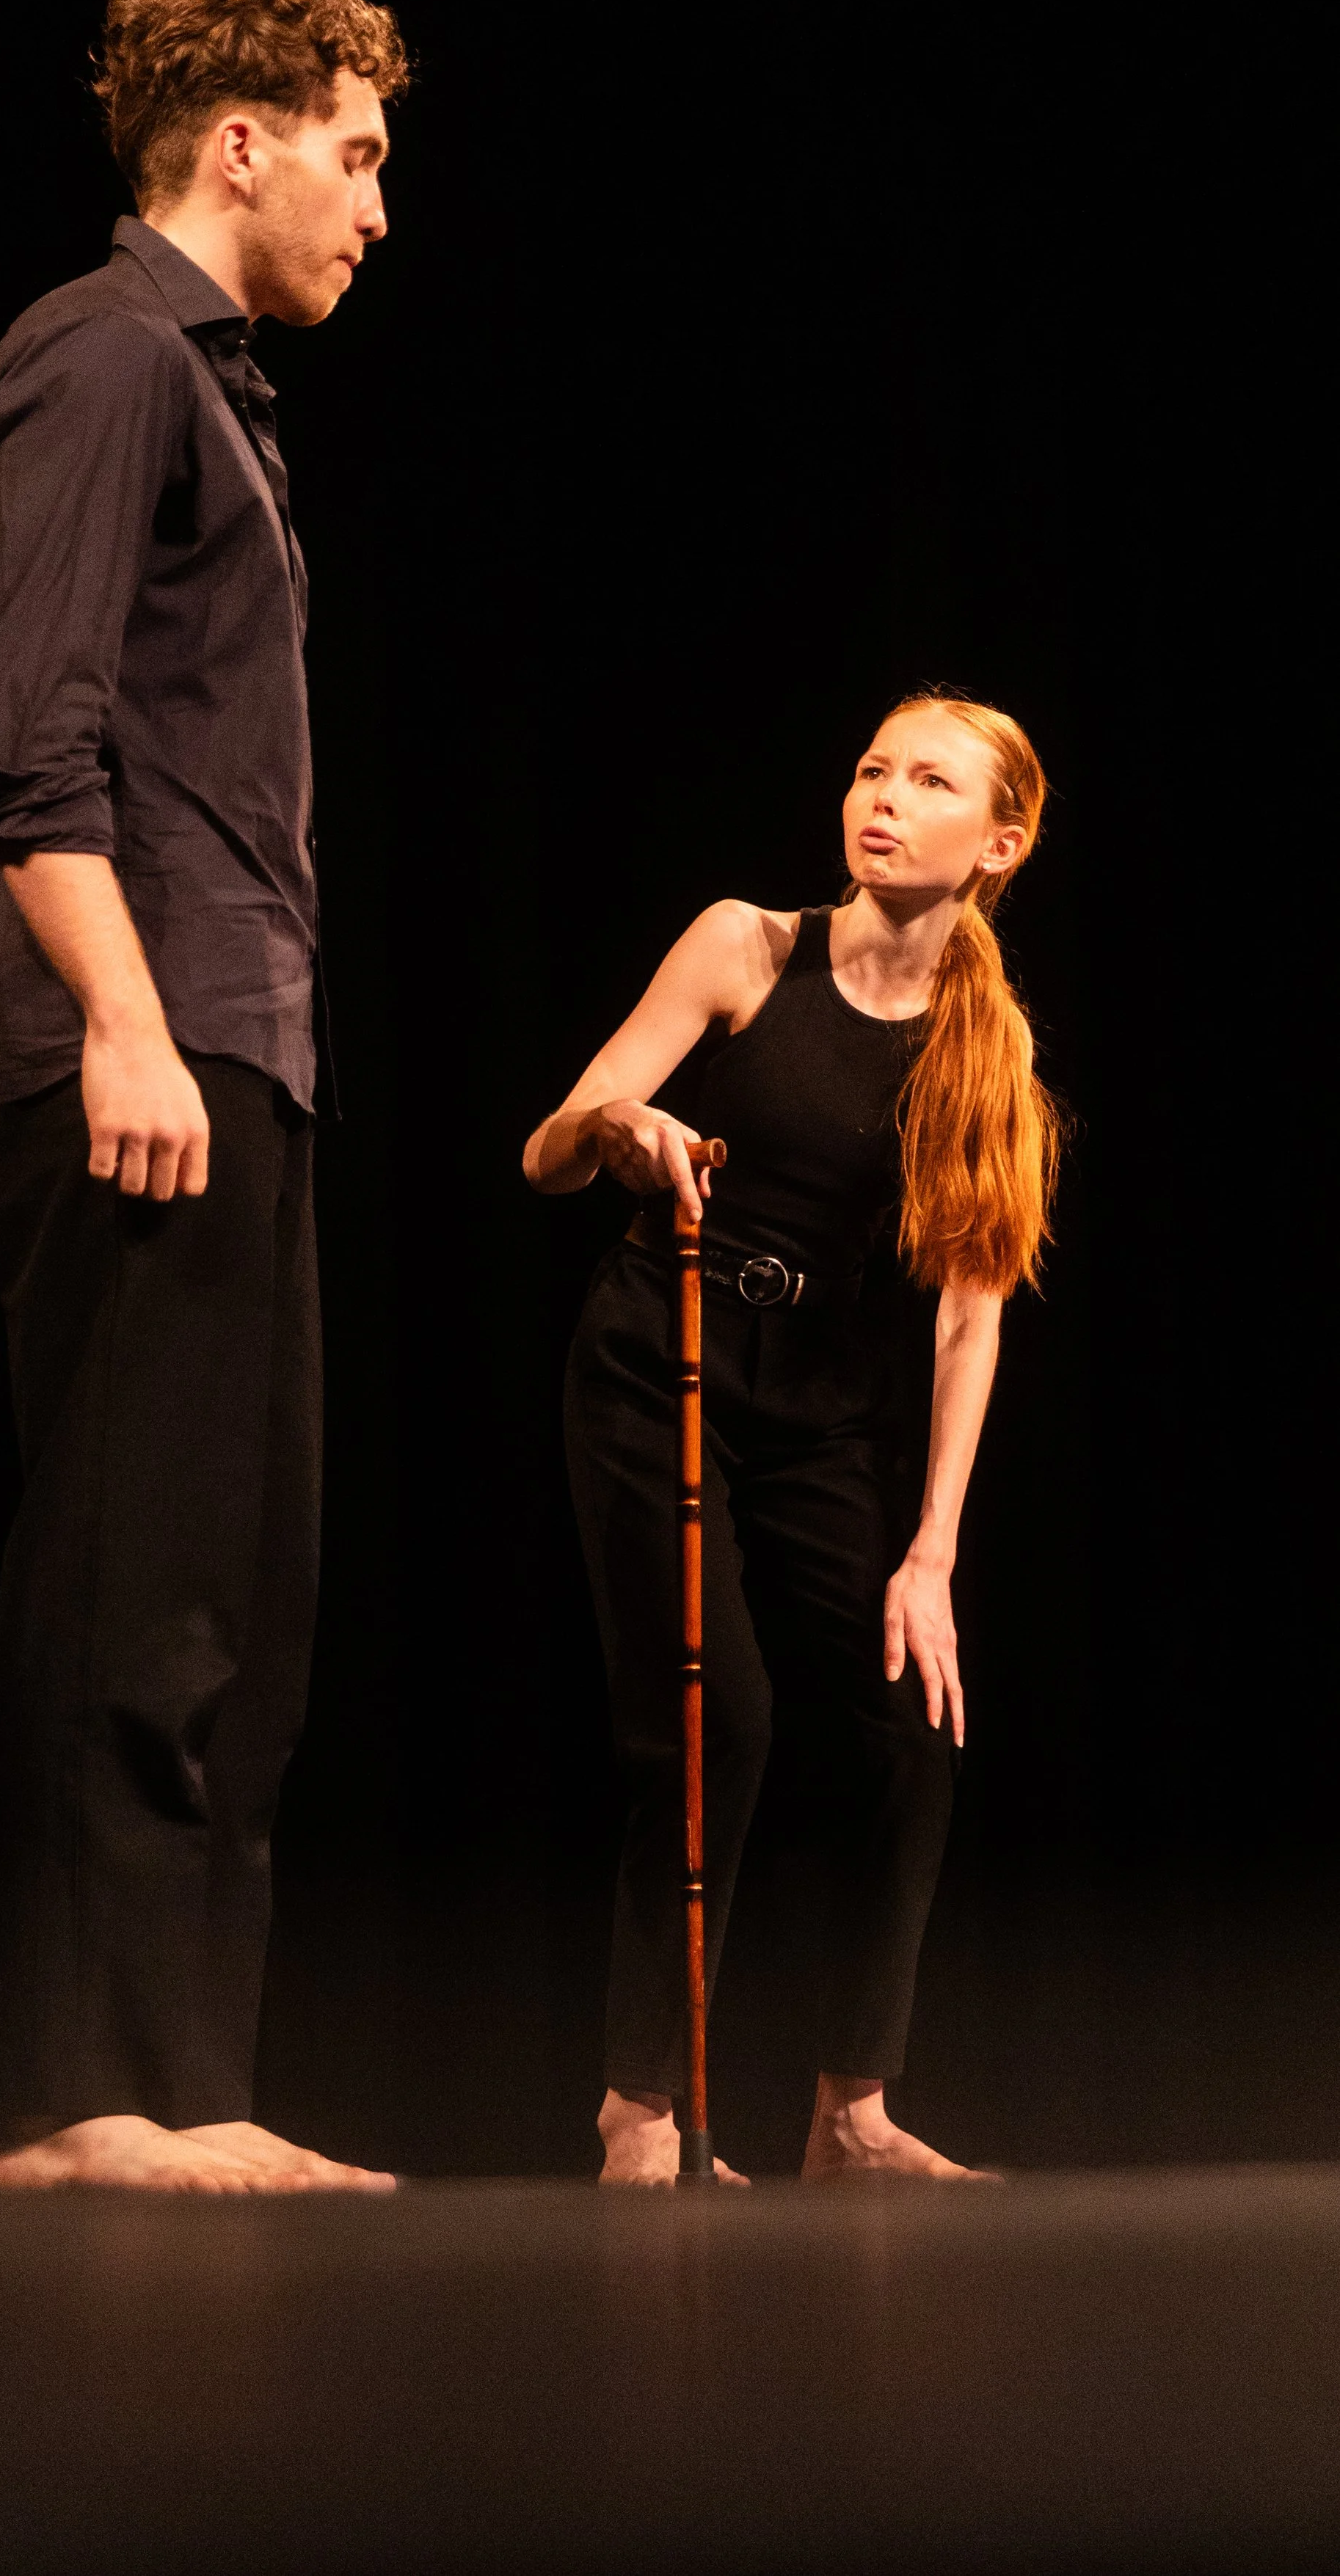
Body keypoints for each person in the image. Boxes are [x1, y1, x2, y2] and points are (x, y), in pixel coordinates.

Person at [0, 0, 407, 2193]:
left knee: (234, 1589)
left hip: (207, 1041)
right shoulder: (106, 362)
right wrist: (88, 1024)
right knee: (130, 1577)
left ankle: (181, 2078)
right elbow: (24, 737)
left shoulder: (206, 390)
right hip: (157, 1033)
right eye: (359, 155)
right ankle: (68, 2091)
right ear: (244, 142)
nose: (376, 210)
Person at [524, 693, 1060, 2186]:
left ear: (996, 842)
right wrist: (621, 1130)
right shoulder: (743, 947)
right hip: (660, 1369)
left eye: (927, 781)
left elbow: (968, 1319)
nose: (879, 797)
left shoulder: (983, 1048)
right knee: (715, 1721)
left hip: (824, 1415)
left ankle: (849, 2114)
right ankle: (638, 2109)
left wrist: (929, 1554)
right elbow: (548, 1148)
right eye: (869, 767)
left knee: (909, 1721)